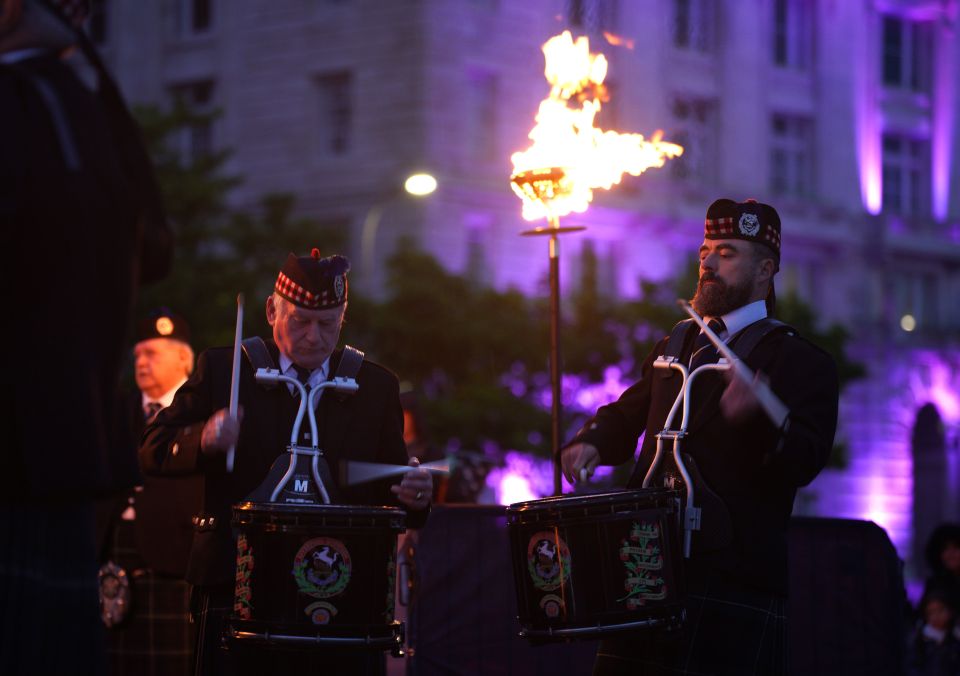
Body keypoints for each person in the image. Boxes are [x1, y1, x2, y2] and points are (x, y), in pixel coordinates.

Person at [561, 198, 839, 675]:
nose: (707, 262)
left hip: (733, 580)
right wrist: (592, 440)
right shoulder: (675, 344)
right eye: (706, 249)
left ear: (765, 269)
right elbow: (629, 413)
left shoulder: (801, 361)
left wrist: (756, 418)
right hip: (646, 570)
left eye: (727, 252)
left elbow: (806, 461)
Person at [139, 250, 432, 676]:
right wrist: (201, 438)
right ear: (272, 310)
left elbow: (392, 497)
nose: (314, 336)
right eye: (300, 321)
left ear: (343, 318)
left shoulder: (374, 387)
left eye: (327, 324)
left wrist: (415, 496)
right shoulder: (224, 371)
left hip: (340, 591)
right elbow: (151, 447)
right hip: (236, 587)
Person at [1, 1, 171, 674]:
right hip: (68, 445)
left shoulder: (23, 100)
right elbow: (157, 242)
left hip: (19, 441)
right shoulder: (84, 100)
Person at [97, 309, 201, 675]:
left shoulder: (203, 413)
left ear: (183, 358)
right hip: (111, 556)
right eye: (137, 354)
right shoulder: (115, 413)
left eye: (152, 354)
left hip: (175, 561)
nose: (141, 362)